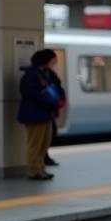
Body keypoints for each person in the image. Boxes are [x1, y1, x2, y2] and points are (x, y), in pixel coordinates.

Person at [18, 49, 60, 181]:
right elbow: (31, 93)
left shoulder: (43, 73)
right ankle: (34, 170)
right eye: (53, 60)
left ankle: (40, 168)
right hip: (35, 114)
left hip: (45, 114)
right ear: (45, 60)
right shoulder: (31, 75)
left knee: (44, 143)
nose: (54, 63)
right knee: (35, 144)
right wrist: (49, 101)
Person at [45, 52, 66, 168]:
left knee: (50, 134)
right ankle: (38, 163)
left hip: (50, 109)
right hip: (45, 109)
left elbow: (58, 87)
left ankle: (44, 157)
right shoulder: (39, 74)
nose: (54, 63)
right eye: (53, 60)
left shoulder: (50, 73)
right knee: (43, 137)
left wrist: (61, 98)